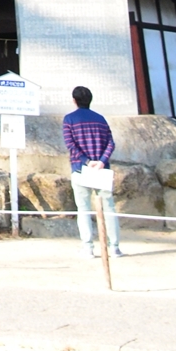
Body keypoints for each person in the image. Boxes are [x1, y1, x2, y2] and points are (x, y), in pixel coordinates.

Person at [63, 85, 122, 257]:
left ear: (74, 100)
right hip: (102, 169)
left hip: (80, 168)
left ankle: (88, 247)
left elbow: (70, 145)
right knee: (109, 207)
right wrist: (101, 161)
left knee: (83, 208)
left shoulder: (69, 119)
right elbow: (111, 143)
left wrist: (86, 161)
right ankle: (114, 247)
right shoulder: (101, 119)